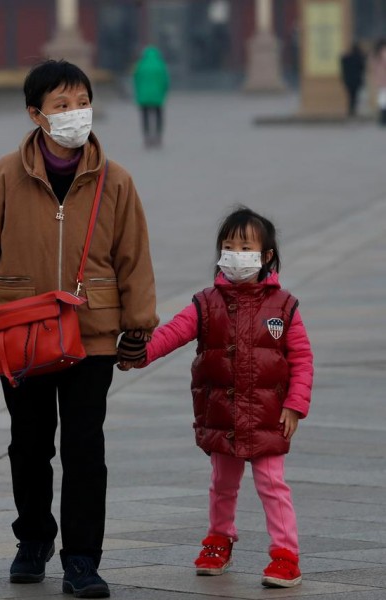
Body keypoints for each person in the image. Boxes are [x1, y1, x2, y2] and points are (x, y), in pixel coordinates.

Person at [0, 59, 158, 599]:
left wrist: (138, 329)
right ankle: (33, 540)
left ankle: (82, 558)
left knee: (86, 446)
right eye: (61, 105)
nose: (74, 114)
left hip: (93, 334)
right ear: (36, 114)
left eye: (81, 102)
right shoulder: (4, 177)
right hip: (23, 332)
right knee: (29, 445)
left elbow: (135, 260)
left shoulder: (117, 181)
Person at [120, 207, 313, 589]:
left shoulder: (285, 307)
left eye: (245, 246)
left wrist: (295, 405)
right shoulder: (206, 303)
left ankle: (285, 554)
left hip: (269, 416)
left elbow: (303, 359)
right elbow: (174, 332)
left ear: (266, 256)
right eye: (228, 246)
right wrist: (139, 354)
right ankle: (218, 539)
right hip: (222, 413)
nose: (235, 254)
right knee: (222, 484)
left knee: (273, 486)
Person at [132, 46, 170, 148]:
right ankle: (158, 136)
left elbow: (136, 80)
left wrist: (137, 93)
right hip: (157, 96)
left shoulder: (140, 65)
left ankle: (147, 137)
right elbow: (165, 81)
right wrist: (164, 92)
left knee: (145, 117)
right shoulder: (160, 65)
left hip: (143, 96)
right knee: (158, 116)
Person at [340, 42, 366, 118]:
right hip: (357, 80)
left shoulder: (347, 58)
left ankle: (351, 109)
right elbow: (362, 67)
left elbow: (342, 61)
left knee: (350, 95)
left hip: (348, 80)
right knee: (355, 95)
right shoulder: (359, 58)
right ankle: (353, 109)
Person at [374, 40, 386, 126]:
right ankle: (383, 119)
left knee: (382, 99)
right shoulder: (384, 52)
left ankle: (382, 119)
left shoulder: (375, 54)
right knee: (383, 100)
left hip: (380, 79)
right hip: (384, 79)